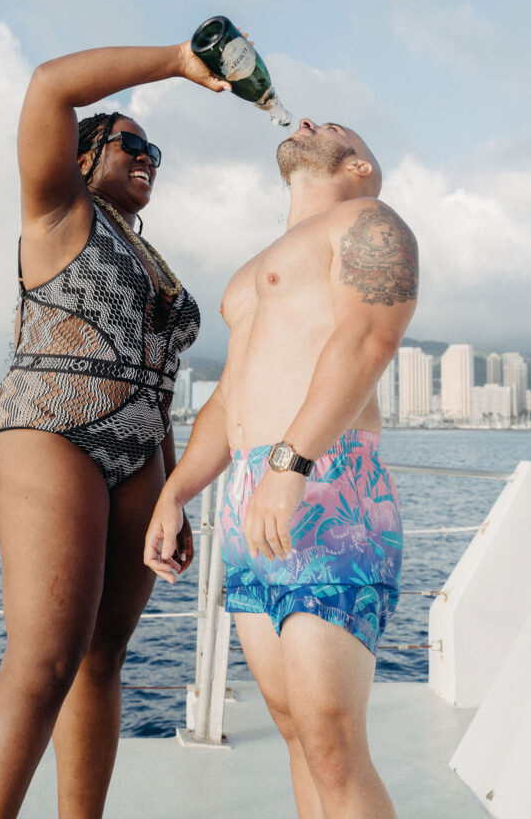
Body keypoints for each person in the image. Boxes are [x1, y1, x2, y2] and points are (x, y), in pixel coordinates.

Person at [0, 41, 230, 819]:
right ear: (81, 158)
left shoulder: (151, 252)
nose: (149, 158)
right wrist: (180, 60)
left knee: (103, 659)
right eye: (130, 144)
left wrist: (174, 488)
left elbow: (163, 381)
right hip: (50, 431)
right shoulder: (57, 208)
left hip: (142, 450)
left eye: (156, 151)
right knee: (42, 661)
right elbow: (49, 86)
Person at [145, 118, 418, 819]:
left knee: (330, 737)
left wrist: (290, 460)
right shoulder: (252, 272)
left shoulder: (367, 219)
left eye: (333, 126)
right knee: (294, 731)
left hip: (325, 480)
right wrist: (175, 493)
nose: (307, 121)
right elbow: (230, 397)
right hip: (250, 491)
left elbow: (368, 337)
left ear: (358, 165)